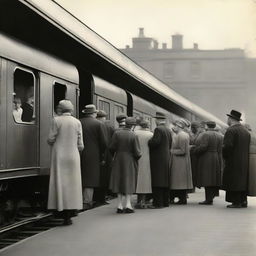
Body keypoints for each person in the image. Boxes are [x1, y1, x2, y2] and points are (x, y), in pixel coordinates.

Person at [47, 100, 84, 225]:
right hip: (73, 155)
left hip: (60, 155)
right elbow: (81, 145)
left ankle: (61, 210)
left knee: (60, 183)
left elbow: (50, 139)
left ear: (60, 109)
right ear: (71, 110)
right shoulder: (77, 122)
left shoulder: (56, 120)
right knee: (73, 184)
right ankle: (71, 213)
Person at [109, 117, 141, 213]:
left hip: (118, 159)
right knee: (128, 181)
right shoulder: (133, 135)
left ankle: (119, 205)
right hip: (130, 160)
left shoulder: (117, 133)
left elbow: (111, 147)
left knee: (119, 181)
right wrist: (136, 158)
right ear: (133, 126)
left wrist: (116, 155)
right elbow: (137, 152)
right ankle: (128, 205)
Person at [80, 105, 107, 210]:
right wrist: (103, 154)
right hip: (93, 155)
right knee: (90, 178)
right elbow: (104, 142)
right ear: (94, 113)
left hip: (79, 152)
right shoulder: (98, 124)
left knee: (80, 176)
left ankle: (78, 200)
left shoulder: (79, 121)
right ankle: (87, 201)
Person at [222, 110, 250, 208]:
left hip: (233, 160)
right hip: (244, 160)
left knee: (233, 180)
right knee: (242, 180)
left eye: (228, 118)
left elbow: (227, 146)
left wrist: (225, 156)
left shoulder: (231, 130)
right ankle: (243, 200)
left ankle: (236, 202)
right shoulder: (245, 131)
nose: (227, 120)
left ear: (231, 119)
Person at [193, 121, 223, 205]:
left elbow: (203, 147)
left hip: (207, 158)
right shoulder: (219, 135)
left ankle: (208, 199)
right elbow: (220, 149)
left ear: (207, 126)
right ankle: (211, 197)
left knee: (207, 178)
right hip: (216, 157)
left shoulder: (206, 134)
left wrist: (195, 150)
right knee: (213, 178)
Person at [148, 112, 172, 208]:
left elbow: (155, 142)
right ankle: (166, 202)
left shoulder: (158, 129)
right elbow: (170, 143)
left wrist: (149, 141)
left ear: (157, 120)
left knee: (157, 180)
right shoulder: (168, 130)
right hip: (166, 157)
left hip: (158, 159)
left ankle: (158, 203)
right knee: (165, 180)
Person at [170, 120, 193, 204]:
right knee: (179, 181)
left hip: (180, 162)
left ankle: (182, 199)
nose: (174, 127)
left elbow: (183, 151)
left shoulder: (182, 136)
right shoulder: (181, 135)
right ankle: (181, 198)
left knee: (179, 181)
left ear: (179, 126)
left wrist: (171, 151)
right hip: (180, 161)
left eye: (175, 125)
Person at [95, 110, 115, 204]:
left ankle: (95, 197)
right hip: (107, 155)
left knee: (96, 176)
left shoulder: (96, 124)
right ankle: (102, 198)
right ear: (104, 117)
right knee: (104, 177)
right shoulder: (109, 126)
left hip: (96, 154)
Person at [134, 119, 153, 208]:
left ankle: (138, 200)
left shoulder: (135, 133)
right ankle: (143, 200)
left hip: (136, 158)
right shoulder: (151, 135)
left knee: (137, 179)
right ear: (148, 126)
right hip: (147, 158)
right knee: (145, 180)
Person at [244, 124, 256, 197]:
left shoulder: (246, 135)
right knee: (253, 177)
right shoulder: (254, 134)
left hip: (248, 156)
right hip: (254, 156)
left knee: (246, 177)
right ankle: (252, 191)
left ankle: (246, 194)